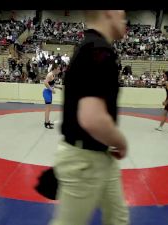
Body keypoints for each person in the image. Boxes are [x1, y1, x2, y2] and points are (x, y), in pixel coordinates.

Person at [49, 10, 129, 225]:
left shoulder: (90, 47)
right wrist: (121, 142)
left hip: (101, 155)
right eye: (122, 13)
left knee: (118, 218)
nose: (126, 18)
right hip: (84, 161)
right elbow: (92, 118)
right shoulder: (99, 51)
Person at [43, 64, 61, 129]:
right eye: (58, 69)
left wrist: (58, 87)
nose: (59, 70)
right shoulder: (50, 74)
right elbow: (45, 83)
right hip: (47, 92)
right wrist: (51, 90)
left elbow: (52, 84)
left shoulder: (53, 75)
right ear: (55, 69)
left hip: (49, 92)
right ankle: (46, 123)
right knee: (47, 109)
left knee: (49, 109)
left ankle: (47, 121)